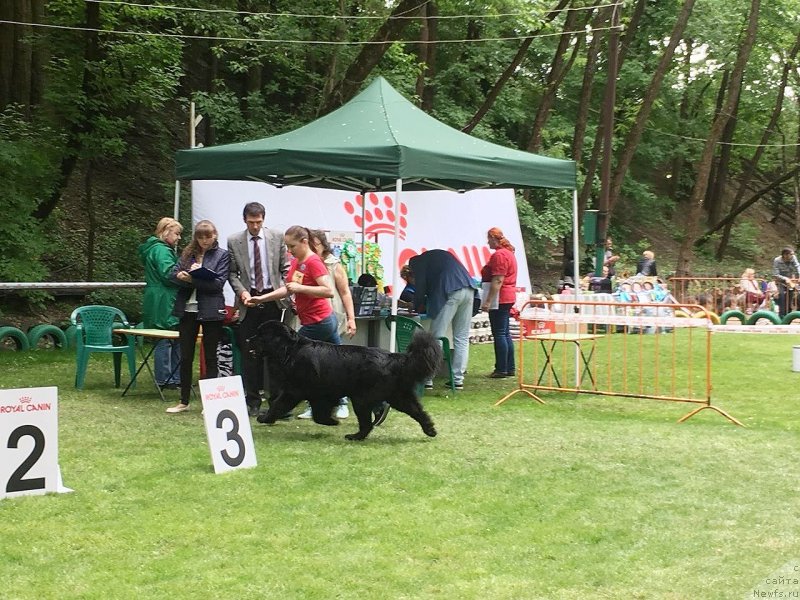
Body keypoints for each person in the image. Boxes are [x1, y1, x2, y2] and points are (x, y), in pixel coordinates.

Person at [248, 226, 347, 420]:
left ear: (304, 242)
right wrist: (262, 299)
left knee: (295, 365)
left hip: (319, 322)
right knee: (342, 365)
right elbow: (288, 289)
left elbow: (328, 291)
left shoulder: (313, 262)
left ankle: (281, 410)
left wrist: (301, 287)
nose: (289, 250)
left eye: (292, 246)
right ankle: (370, 404)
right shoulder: (296, 262)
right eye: (286, 246)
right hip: (321, 320)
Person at [228, 202, 290, 417]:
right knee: (249, 353)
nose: (255, 226)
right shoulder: (234, 241)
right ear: (244, 220)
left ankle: (277, 402)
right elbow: (232, 274)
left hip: (273, 301)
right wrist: (242, 293)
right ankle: (252, 401)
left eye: (259, 222)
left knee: (277, 353)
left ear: (264, 220)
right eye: (251, 222)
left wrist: (282, 291)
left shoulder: (277, 237)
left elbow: (285, 269)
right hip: (249, 301)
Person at [166, 220, 231, 413]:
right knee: (186, 356)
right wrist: (184, 278)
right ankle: (183, 401)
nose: (204, 240)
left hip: (211, 310)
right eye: (200, 237)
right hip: (187, 311)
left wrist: (193, 278)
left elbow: (217, 285)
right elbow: (172, 275)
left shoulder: (222, 255)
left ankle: (209, 403)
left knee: (210, 356)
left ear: (215, 235)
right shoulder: (188, 253)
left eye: (208, 236)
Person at [303, 229, 357, 420]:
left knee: (337, 364)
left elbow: (345, 293)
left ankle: (342, 402)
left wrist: (351, 318)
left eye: (314, 244)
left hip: (330, 318)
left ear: (323, 245)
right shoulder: (304, 263)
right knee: (311, 366)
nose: (310, 247)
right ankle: (314, 404)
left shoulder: (334, 265)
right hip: (310, 318)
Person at [407, 249, 478, 391]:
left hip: (450, 291)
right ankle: (458, 379)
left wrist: (416, 305)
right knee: (461, 337)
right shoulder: (438, 256)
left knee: (435, 337)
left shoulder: (417, 262)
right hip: (469, 289)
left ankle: (428, 378)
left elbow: (420, 287)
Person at [137, 217, 183, 389]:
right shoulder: (162, 250)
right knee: (166, 337)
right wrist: (187, 275)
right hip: (164, 299)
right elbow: (169, 274)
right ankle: (167, 378)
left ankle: (173, 377)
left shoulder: (153, 249)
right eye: (177, 234)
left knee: (167, 337)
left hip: (157, 297)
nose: (179, 238)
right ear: (166, 232)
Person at [480, 227, 518, 378]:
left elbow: (498, 280)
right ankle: (509, 367)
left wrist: (488, 301)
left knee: (499, 333)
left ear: (494, 239)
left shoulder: (499, 255)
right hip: (508, 296)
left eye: (489, 239)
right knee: (505, 333)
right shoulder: (509, 254)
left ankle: (501, 368)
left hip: (500, 298)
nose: (487, 242)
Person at [772, 246, 800, 317]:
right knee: (782, 296)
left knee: (790, 297)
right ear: (785, 255)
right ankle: (781, 315)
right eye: (790, 254)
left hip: (790, 281)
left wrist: (799, 276)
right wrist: (785, 278)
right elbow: (775, 274)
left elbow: (797, 266)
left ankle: (788, 315)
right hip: (780, 281)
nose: (792, 256)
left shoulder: (793, 258)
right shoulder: (777, 260)